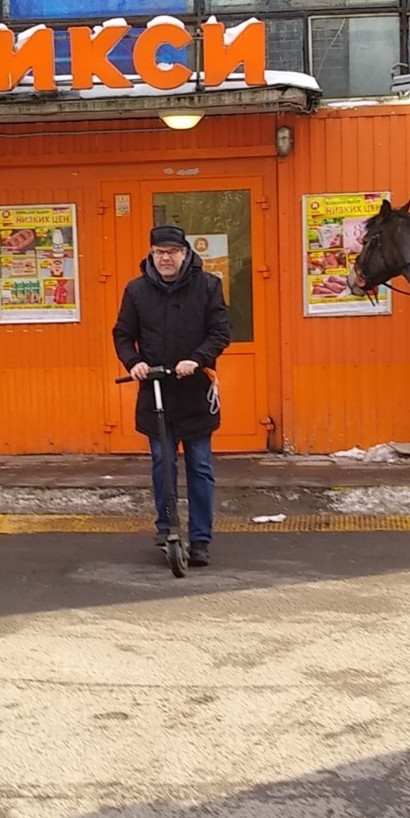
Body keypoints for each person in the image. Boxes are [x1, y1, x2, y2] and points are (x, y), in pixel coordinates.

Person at [113, 224, 232, 567]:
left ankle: (200, 538)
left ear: (185, 254)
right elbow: (122, 333)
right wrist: (134, 362)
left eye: (172, 252)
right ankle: (166, 528)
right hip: (156, 392)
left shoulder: (208, 286)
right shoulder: (136, 291)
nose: (165, 258)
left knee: (200, 465)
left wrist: (196, 359)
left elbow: (220, 332)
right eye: (159, 253)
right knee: (162, 464)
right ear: (151, 254)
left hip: (194, 391)